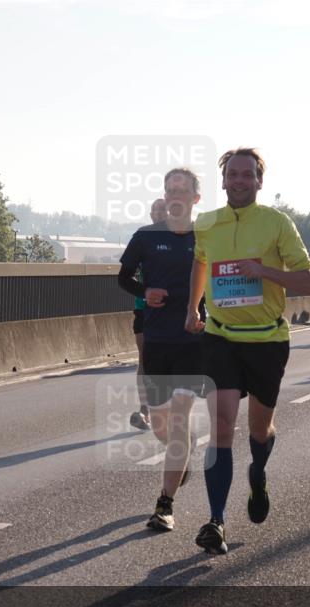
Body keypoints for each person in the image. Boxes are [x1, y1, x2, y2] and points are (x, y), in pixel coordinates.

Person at [185, 147, 310, 554]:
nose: (239, 181)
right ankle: (216, 521)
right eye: (232, 174)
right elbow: (200, 262)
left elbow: (308, 282)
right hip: (220, 338)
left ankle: (258, 473)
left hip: (267, 341)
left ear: (259, 181)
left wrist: (263, 272)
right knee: (222, 427)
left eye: (247, 175)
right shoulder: (207, 223)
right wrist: (193, 308)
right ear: (223, 180)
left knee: (259, 431)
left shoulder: (277, 223)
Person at [119, 172, 206, 531]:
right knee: (160, 426)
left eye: (182, 191)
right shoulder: (146, 236)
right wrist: (145, 291)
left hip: (192, 341)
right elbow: (123, 278)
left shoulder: (207, 236)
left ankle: (165, 504)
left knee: (180, 416)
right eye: (170, 190)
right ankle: (181, 452)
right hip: (156, 340)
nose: (175, 196)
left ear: (196, 198)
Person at [128, 199, 169, 430]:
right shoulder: (142, 237)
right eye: (155, 210)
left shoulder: (182, 237)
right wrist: (144, 291)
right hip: (144, 308)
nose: (159, 213)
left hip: (172, 310)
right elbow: (127, 274)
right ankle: (144, 412)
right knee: (145, 358)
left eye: (163, 209)